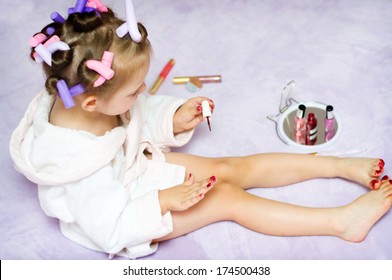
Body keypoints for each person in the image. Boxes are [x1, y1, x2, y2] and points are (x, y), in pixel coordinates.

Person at [10, 0, 392, 259]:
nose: (142, 93)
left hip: (135, 173)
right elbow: (110, 227)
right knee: (226, 197)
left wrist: (173, 116)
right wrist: (165, 200)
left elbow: (132, 112)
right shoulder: (76, 167)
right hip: (128, 218)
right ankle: (341, 223)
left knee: (228, 167)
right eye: (134, 90)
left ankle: (337, 165)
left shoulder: (87, 99)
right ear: (93, 102)